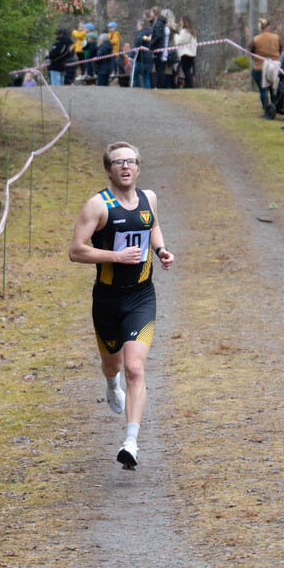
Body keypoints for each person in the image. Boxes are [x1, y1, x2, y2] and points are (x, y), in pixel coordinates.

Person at [69, 142, 175, 470]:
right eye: (118, 162)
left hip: (141, 296)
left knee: (135, 369)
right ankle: (111, 384)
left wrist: (161, 250)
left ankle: (131, 442)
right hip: (107, 299)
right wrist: (115, 256)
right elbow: (76, 250)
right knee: (112, 366)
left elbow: (152, 226)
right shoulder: (98, 206)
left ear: (139, 168)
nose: (125, 166)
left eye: (130, 161)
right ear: (108, 170)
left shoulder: (149, 198)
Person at [250, 18, 282, 117]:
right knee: (273, 89)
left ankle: (266, 111)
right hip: (274, 67)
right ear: (268, 27)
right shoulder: (276, 37)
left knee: (263, 90)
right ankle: (274, 109)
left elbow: (252, 52)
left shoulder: (255, 39)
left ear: (260, 28)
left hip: (259, 67)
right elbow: (280, 49)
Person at [175, 16, 197, 88]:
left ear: (184, 22)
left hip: (186, 54)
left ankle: (189, 85)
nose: (180, 22)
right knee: (187, 70)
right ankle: (189, 85)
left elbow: (180, 41)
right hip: (191, 54)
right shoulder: (191, 32)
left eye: (181, 21)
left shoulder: (185, 31)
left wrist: (176, 36)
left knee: (186, 71)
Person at [133, 17, 153, 89]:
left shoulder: (141, 33)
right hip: (150, 58)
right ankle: (147, 90)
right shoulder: (151, 32)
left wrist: (131, 55)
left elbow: (137, 44)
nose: (137, 27)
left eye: (138, 25)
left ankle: (138, 89)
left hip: (141, 58)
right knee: (146, 76)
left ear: (141, 25)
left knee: (136, 75)